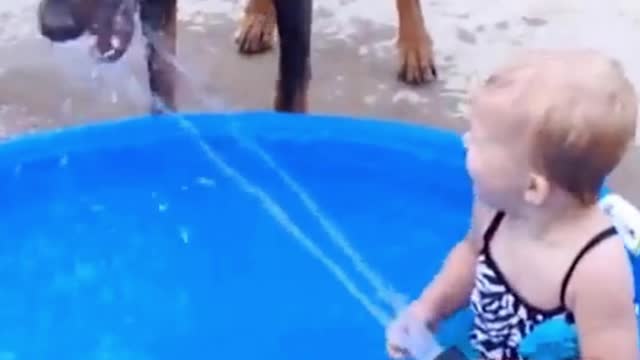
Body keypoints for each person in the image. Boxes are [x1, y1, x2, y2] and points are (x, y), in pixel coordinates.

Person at [385, 49, 640, 360]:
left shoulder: (596, 268)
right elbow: (470, 254)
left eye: (479, 141)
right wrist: (428, 310)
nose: (465, 143)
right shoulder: (496, 207)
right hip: (483, 348)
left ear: (532, 187)